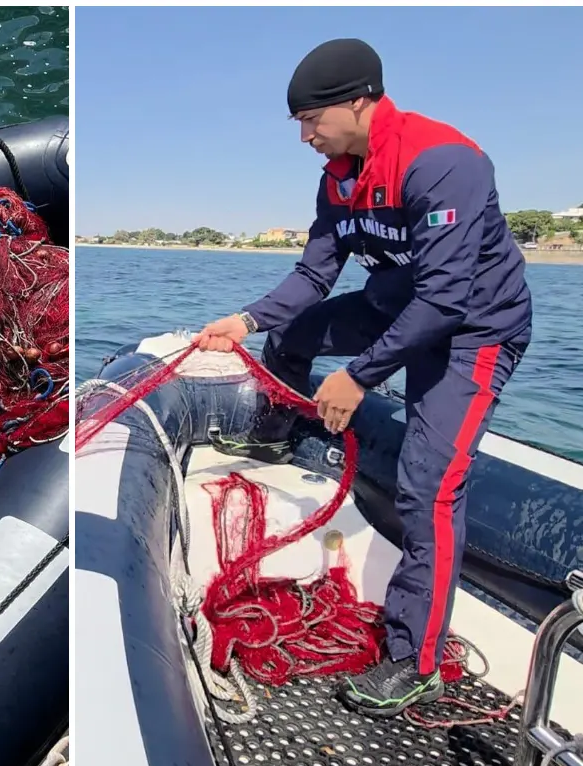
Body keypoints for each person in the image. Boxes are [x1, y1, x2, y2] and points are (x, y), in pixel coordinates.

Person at [192, 38, 533, 718]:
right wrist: (248, 319)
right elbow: (316, 274)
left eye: (312, 119)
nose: (305, 135)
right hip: (392, 308)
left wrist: (356, 377)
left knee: (428, 487)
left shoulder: (442, 162)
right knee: (292, 331)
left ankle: (416, 660)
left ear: (359, 102)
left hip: (472, 331)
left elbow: (445, 299)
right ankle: (276, 436)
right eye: (297, 123)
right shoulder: (336, 178)